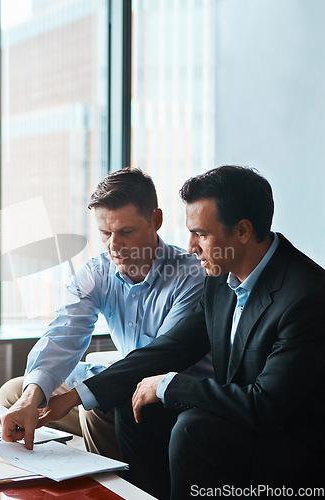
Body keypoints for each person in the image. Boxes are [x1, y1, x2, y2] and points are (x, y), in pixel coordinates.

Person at [20, 166, 325, 499]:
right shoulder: (221, 281)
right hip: (234, 415)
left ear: (242, 231)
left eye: (201, 234)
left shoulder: (307, 295)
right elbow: (168, 350)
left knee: (192, 427)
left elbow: (266, 406)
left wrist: (169, 384)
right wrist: (78, 395)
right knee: (135, 406)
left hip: (288, 438)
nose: (191, 246)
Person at [0, 167, 211, 460]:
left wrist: (80, 396)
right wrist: (30, 397)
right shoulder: (97, 272)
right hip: (121, 379)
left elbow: (157, 361)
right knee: (16, 394)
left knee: (95, 408)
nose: (113, 246)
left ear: (156, 220)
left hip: (166, 396)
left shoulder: (190, 276)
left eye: (125, 232)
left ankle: (118, 485)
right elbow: (64, 335)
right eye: (104, 233)